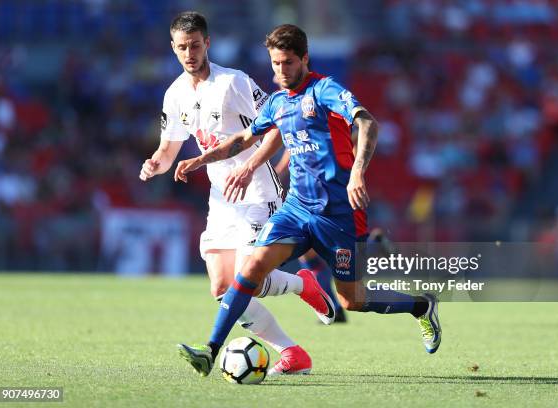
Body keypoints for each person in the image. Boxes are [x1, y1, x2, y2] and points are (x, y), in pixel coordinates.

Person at [173, 24, 441, 376]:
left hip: (338, 214)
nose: (280, 72)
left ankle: (421, 306)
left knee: (352, 300)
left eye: (287, 63)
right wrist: (201, 159)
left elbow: (367, 122)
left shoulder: (324, 90)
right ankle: (210, 350)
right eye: (275, 64)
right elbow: (241, 138)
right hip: (297, 209)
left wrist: (358, 172)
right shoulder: (277, 103)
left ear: (304, 59)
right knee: (252, 268)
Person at [140, 12, 337, 376]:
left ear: (207, 43)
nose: (189, 53)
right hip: (222, 199)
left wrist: (248, 167)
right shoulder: (175, 95)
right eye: (182, 47)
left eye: (195, 45)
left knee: (251, 279)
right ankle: (293, 350)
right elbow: (168, 151)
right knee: (221, 287)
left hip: (259, 190)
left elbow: (281, 122)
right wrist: (155, 163)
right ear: (173, 48)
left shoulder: (234, 83)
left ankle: (302, 285)